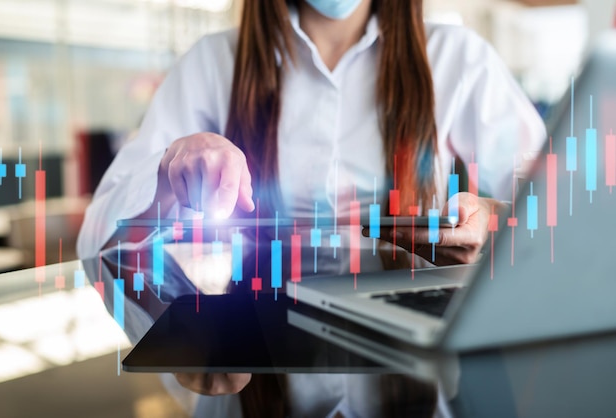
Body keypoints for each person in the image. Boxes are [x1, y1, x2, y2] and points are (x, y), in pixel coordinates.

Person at [77, 0, 546, 416]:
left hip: (422, 394)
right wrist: (169, 176)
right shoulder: (212, 63)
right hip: (249, 395)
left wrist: (497, 224)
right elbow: (102, 235)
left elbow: (565, 214)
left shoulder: (458, 57)